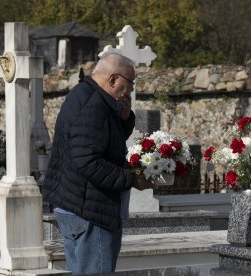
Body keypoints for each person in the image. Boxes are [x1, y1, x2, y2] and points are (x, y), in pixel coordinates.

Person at [43, 53, 153, 275]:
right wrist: (130, 179)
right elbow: (89, 161)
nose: (131, 89)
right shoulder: (93, 104)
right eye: (129, 83)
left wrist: (124, 119)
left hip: (79, 205)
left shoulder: (90, 96)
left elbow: (103, 140)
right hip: (91, 213)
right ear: (113, 79)